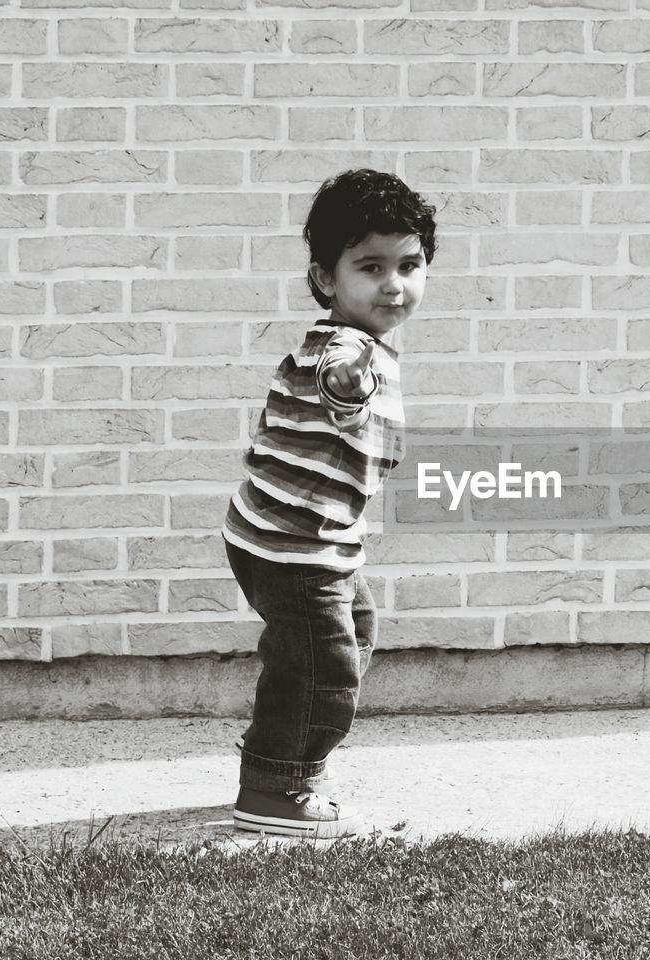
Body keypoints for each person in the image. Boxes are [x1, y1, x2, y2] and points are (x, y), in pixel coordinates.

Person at [222, 168, 436, 838]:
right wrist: (350, 383)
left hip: (280, 532)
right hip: (292, 547)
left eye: (409, 264)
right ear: (326, 281)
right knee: (321, 666)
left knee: (348, 633)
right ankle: (273, 790)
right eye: (370, 267)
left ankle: (290, 749)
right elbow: (340, 384)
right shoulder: (347, 350)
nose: (392, 284)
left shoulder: (366, 343)